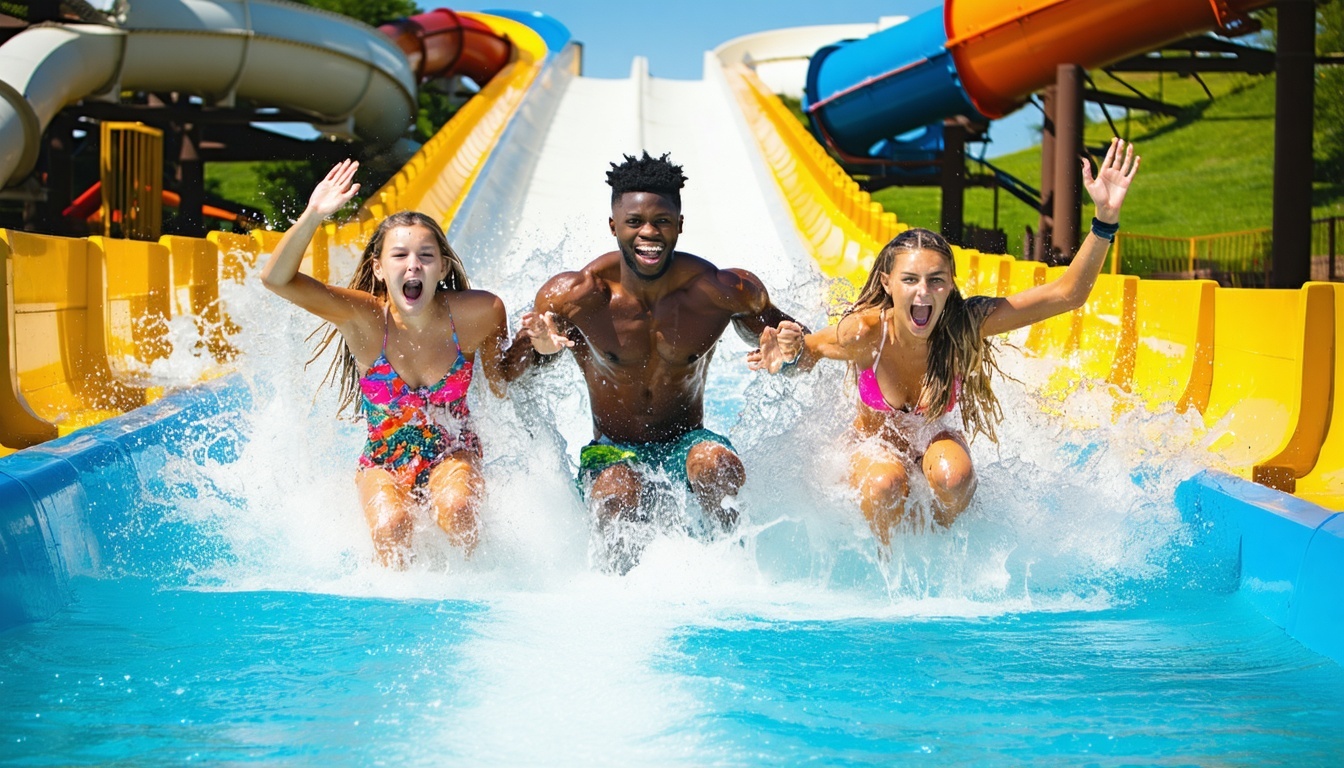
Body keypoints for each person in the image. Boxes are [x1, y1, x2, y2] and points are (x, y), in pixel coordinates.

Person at [751, 138, 1140, 545]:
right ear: (888, 284)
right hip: (873, 449)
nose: (923, 292)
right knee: (887, 482)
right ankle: (888, 565)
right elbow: (810, 351)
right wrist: (790, 356)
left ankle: (939, 552)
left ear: (950, 284)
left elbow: (1068, 294)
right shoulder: (865, 332)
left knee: (954, 478)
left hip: (930, 443)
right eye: (910, 280)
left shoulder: (965, 323)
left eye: (936, 280)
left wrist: (1105, 221)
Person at [516, 151, 805, 564]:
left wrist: (788, 349)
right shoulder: (576, 297)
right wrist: (542, 348)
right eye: (634, 222)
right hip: (613, 449)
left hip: (686, 442)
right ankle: (618, 600)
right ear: (614, 225)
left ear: (680, 226)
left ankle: (737, 581)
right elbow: (512, 373)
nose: (648, 232)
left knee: (718, 467)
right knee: (618, 494)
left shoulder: (721, 290)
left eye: (662, 221)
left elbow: (799, 346)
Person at [261, 160, 530, 568]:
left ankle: (474, 596)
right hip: (384, 460)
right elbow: (276, 280)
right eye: (400, 255)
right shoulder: (364, 320)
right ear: (379, 268)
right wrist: (313, 214)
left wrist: (537, 346)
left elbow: (501, 382)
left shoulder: (479, 313)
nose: (413, 265)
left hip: (454, 453)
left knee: (457, 510)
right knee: (392, 527)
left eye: (426, 255)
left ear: (441, 266)